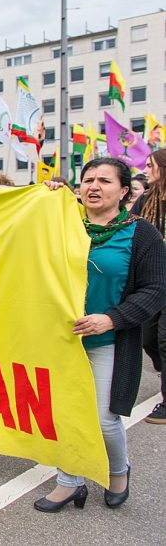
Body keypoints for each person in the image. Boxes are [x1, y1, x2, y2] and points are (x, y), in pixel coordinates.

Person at [34, 157, 166, 512]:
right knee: (64, 414)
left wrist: (112, 319)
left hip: (109, 341)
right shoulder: (62, 222)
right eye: (88, 179)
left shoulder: (142, 233)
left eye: (104, 181)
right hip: (61, 341)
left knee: (105, 418)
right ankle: (69, 482)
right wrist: (46, 197)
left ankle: (118, 472)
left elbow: (156, 289)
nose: (94, 186)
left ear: (124, 191)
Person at [131, 148, 166, 423]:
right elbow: (127, 222)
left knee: (165, 340)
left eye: (151, 164)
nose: (146, 168)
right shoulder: (147, 199)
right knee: (149, 338)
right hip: (154, 279)